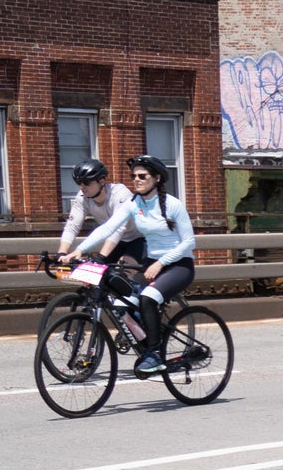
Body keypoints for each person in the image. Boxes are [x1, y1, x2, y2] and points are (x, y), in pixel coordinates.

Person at [60, 155, 196, 373]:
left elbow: (189, 242)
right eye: (134, 176)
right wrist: (78, 250)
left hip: (179, 265)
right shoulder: (134, 204)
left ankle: (154, 354)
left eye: (143, 176)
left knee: (148, 298)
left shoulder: (173, 205)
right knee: (121, 303)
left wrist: (160, 263)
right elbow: (107, 228)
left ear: (157, 178)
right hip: (152, 263)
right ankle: (144, 340)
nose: (137, 180)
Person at [58, 159, 146, 264]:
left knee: (124, 270)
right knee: (98, 274)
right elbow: (72, 226)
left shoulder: (120, 194)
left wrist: (101, 256)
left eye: (86, 182)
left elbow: (118, 228)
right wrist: (61, 253)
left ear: (102, 181)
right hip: (117, 241)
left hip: (140, 238)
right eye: (79, 183)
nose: (82, 187)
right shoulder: (82, 197)